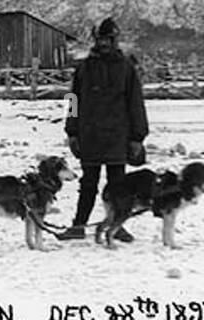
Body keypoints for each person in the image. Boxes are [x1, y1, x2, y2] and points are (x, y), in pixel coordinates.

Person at [59, 17, 148, 242]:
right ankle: (78, 225)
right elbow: (74, 99)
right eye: (100, 39)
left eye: (108, 39)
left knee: (118, 185)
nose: (104, 43)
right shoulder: (84, 69)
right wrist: (72, 131)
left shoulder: (127, 68)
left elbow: (135, 103)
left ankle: (118, 226)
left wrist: (138, 136)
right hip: (90, 134)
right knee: (87, 184)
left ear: (114, 40)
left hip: (118, 136)